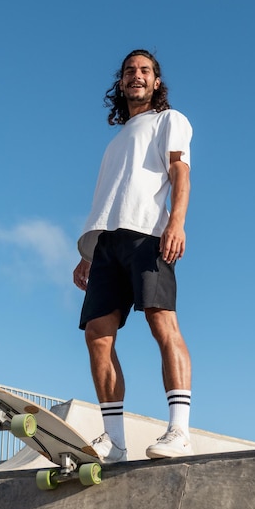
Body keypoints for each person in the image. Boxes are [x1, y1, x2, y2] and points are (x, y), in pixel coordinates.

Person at [73, 49, 193, 463]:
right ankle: (115, 441)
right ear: (121, 83)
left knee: (163, 324)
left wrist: (176, 223)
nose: (136, 75)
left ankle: (179, 430)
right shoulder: (116, 140)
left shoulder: (169, 121)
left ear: (156, 82)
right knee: (97, 336)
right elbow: (110, 199)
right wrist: (90, 251)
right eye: (129, 71)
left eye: (145, 70)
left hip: (148, 237)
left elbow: (180, 173)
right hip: (107, 245)